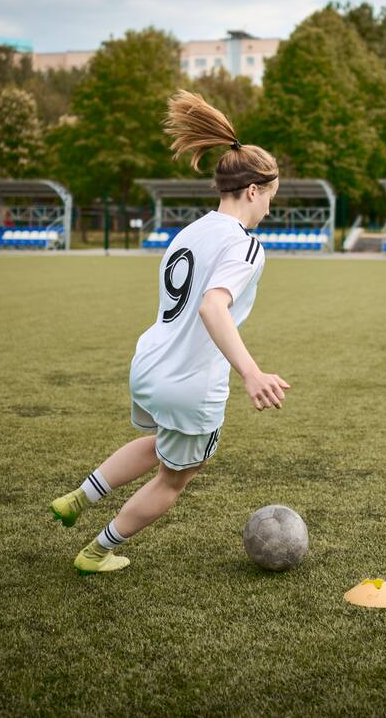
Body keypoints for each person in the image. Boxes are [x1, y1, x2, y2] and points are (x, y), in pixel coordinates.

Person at [49, 90, 290, 574]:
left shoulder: (189, 231)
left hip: (148, 365)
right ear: (252, 191)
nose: (269, 207)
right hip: (189, 382)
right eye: (270, 197)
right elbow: (212, 306)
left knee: (163, 441)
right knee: (175, 477)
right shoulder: (246, 245)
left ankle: (79, 497)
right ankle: (96, 552)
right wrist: (251, 372)